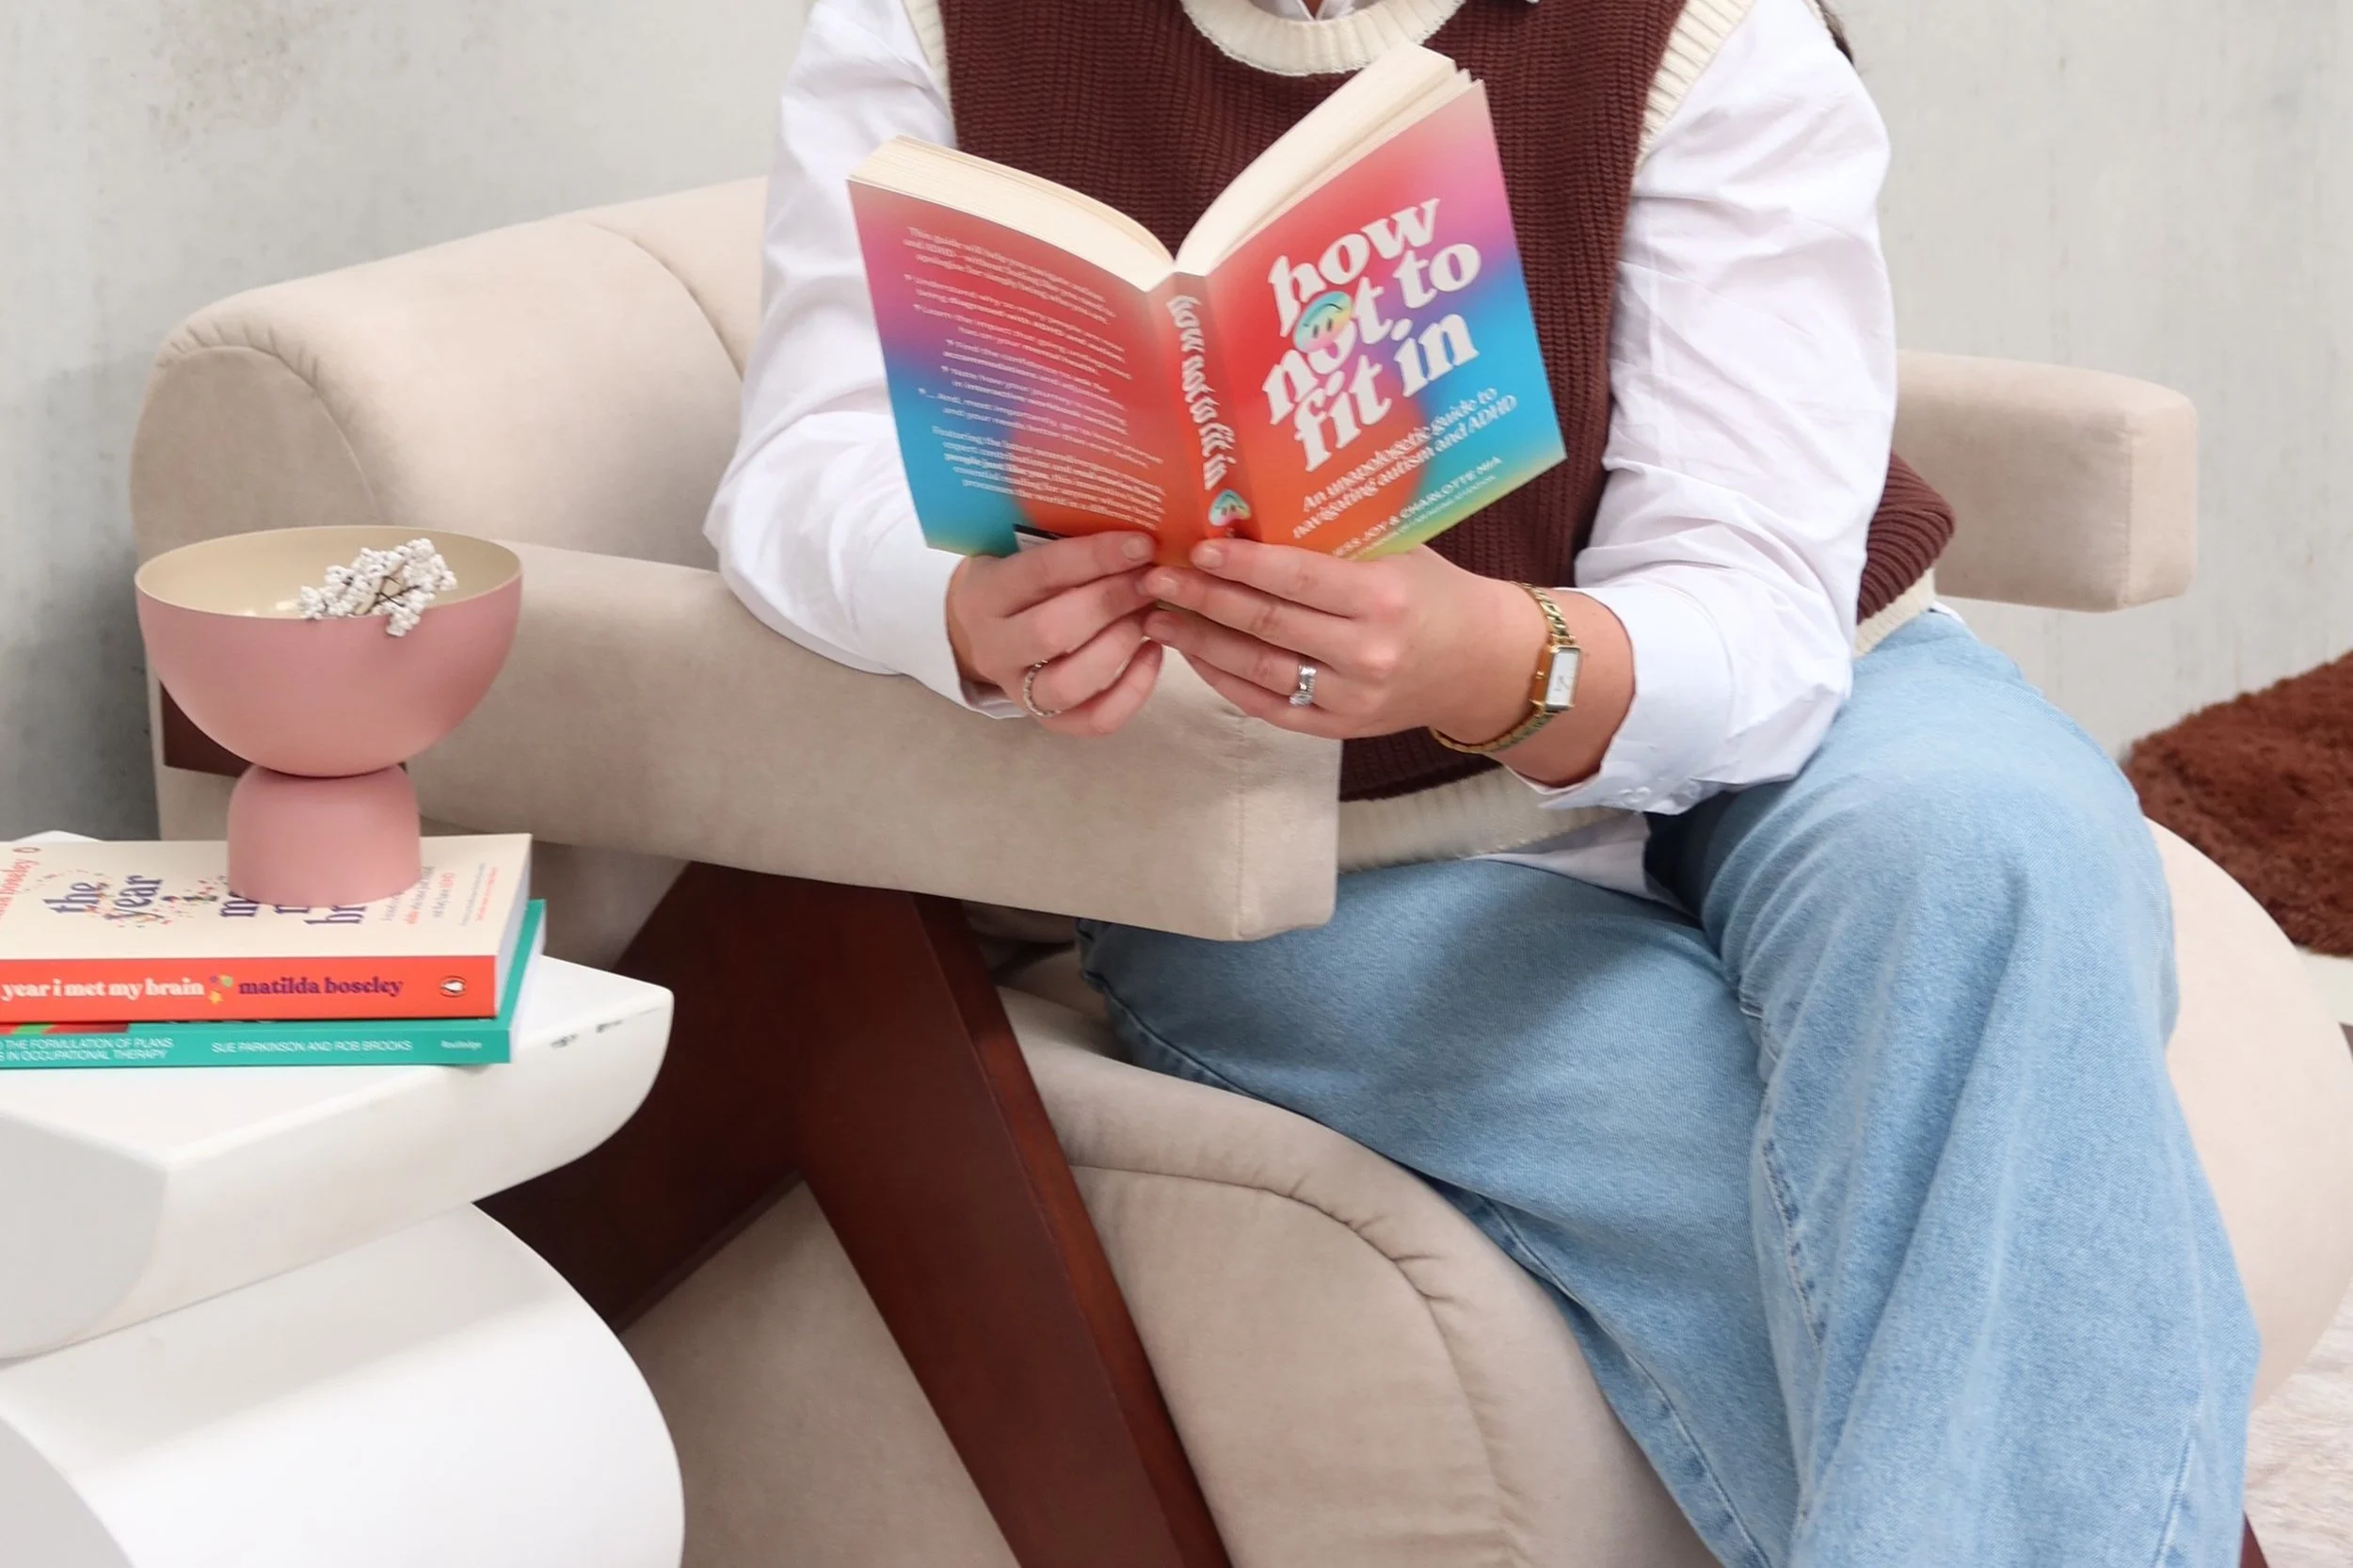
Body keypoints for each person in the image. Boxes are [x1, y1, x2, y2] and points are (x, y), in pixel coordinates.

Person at [707, 0, 2259, 1561]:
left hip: (1796, 692)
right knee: (1877, 1233)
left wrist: (1493, 661)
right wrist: (957, 604)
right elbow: (801, 462)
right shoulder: (926, 23)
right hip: (1319, 839)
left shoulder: (1705, 29)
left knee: (1991, 843)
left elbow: (1754, 587)